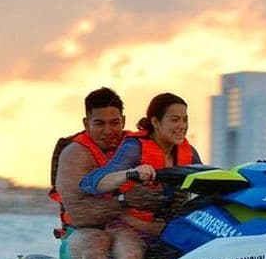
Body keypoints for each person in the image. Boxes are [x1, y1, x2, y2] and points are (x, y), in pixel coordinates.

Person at [51, 87, 147, 259]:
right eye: (99, 123)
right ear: (86, 124)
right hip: (79, 238)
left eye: (114, 123)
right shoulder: (74, 154)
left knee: (138, 246)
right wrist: (125, 201)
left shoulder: (137, 146)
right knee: (97, 240)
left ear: (123, 120)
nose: (108, 130)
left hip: (124, 231)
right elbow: (80, 215)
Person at [79, 93, 203, 237]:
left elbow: (207, 183)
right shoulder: (134, 148)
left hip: (167, 228)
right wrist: (131, 173)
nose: (182, 126)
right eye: (175, 120)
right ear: (156, 122)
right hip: (131, 229)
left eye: (185, 120)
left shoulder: (189, 152)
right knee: (132, 254)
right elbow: (91, 182)